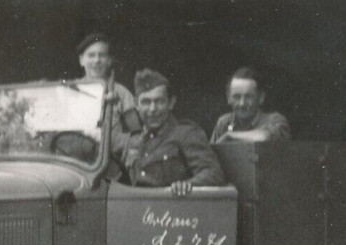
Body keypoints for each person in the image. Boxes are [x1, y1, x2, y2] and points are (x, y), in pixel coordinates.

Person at [121, 69, 226, 197]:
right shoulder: (133, 141)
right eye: (146, 102)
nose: (153, 109)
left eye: (159, 101)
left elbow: (213, 173)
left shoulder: (186, 134)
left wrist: (187, 185)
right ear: (136, 105)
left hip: (173, 212)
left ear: (171, 103)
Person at [210, 67, 291, 144]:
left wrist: (231, 135)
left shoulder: (275, 120)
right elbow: (210, 154)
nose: (242, 103)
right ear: (228, 98)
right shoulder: (225, 123)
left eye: (248, 97)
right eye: (236, 97)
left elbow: (265, 137)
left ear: (261, 98)